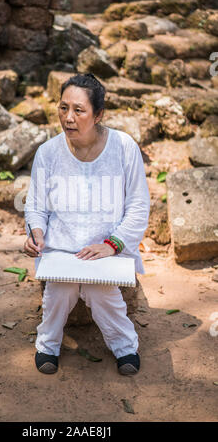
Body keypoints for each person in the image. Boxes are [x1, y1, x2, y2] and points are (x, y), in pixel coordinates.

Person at [24, 73, 150, 376]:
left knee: (99, 292)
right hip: (62, 249)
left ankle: (125, 347)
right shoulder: (49, 153)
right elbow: (36, 205)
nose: (68, 117)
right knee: (60, 291)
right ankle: (48, 345)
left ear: (98, 115)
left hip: (106, 248)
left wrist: (112, 245)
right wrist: (36, 233)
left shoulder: (123, 147)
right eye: (63, 107)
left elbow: (138, 205)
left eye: (79, 110)